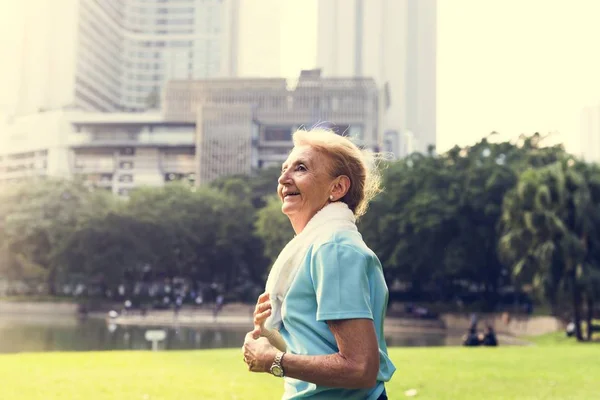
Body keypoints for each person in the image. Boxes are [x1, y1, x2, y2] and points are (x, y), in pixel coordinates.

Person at [242, 129, 396, 399]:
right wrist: (273, 334)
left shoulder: (333, 249)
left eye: (300, 168)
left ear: (337, 188)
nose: (283, 178)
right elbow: (318, 348)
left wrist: (273, 361)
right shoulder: (319, 247)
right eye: (284, 168)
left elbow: (360, 368)